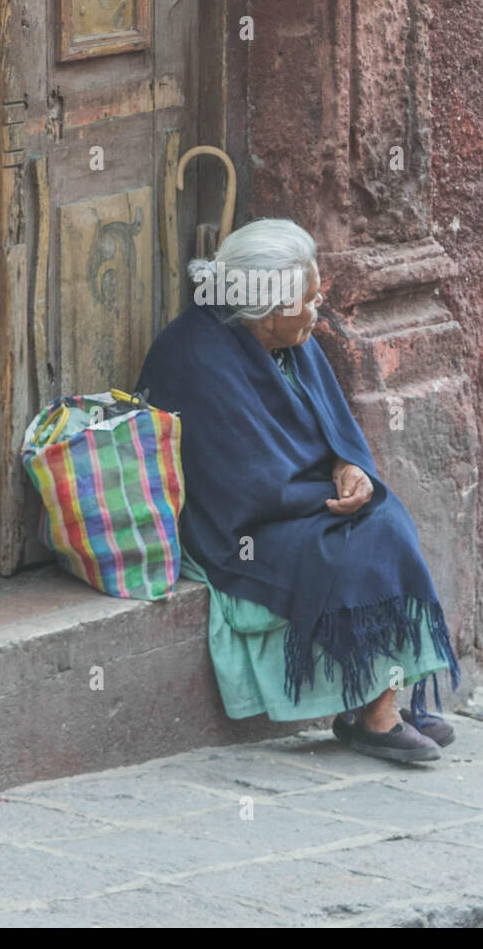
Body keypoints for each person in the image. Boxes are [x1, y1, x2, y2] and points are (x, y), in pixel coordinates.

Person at [137, 218, 460, 763]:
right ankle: (374, 716)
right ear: (263, 307)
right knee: (364, 538)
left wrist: (347, 465)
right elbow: (244, 481)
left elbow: (329, 423)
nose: (316, 311)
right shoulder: (196, 356)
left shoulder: (285, 335)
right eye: (305, 302)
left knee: (385, 519)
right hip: (240, 526)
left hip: (299, 496)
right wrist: (327, 498)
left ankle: (378, 702)